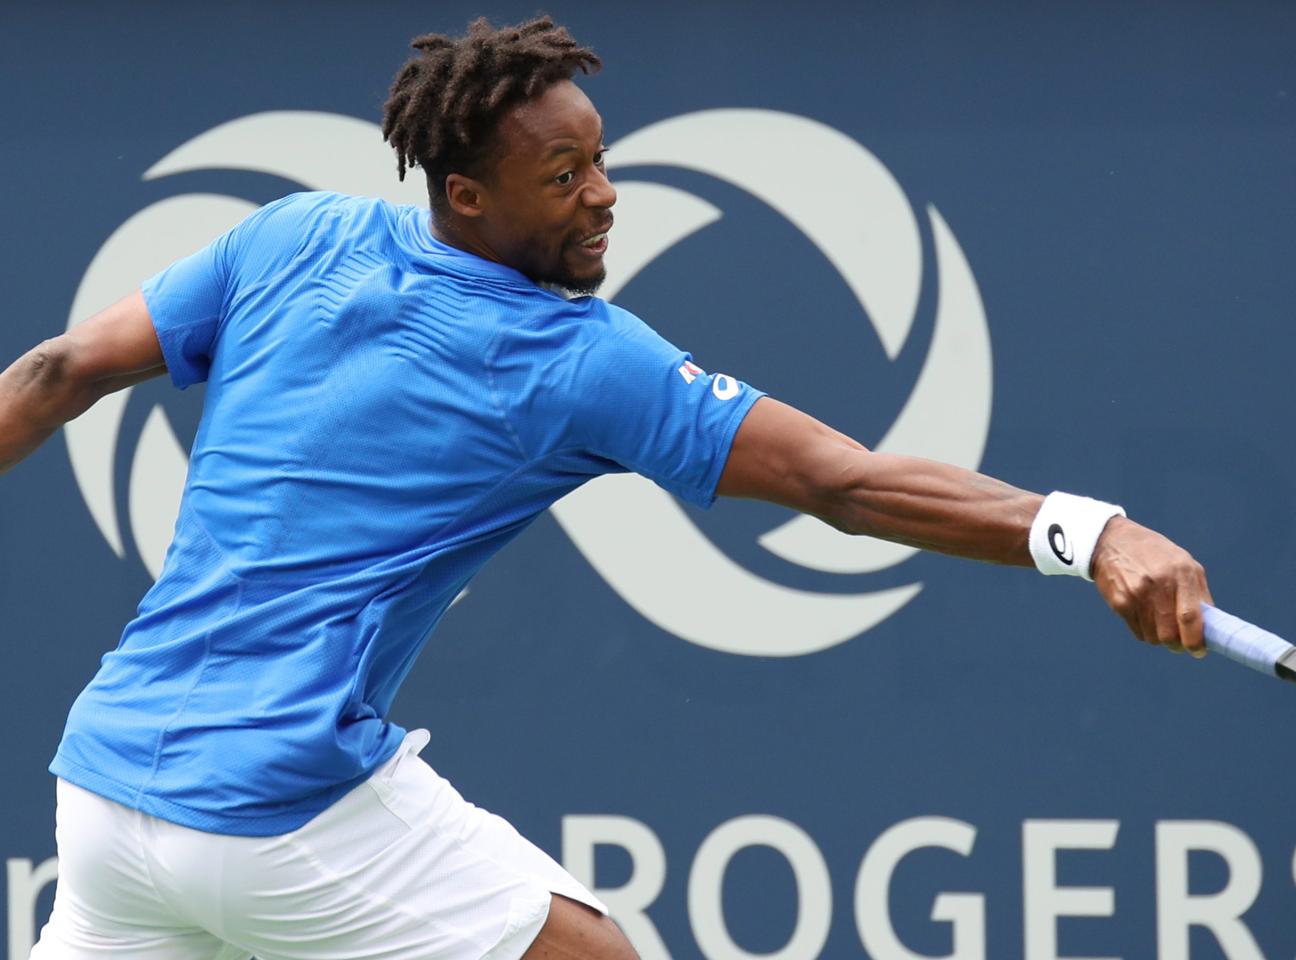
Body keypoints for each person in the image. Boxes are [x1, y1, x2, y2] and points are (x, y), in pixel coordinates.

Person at [0, 15, 1211, 960]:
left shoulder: (290, 236)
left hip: (105, 793)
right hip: (276, 801)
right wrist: (1083, 530)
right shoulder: (582, 360)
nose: (604, 194)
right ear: (466, 195)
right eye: (563, 174)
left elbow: (55, 371)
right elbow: (844, 485)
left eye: (600, 160)